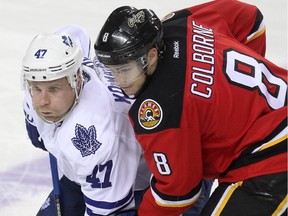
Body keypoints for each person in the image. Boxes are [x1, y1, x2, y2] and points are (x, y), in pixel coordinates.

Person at [94, 0, 287, 215]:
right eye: (111, 70)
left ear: (150, 56)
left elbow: (177, 194)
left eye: (124, 69)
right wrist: (242, 98)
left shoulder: (158, 108)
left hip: (271, 155)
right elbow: (250, 19)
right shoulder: (180, 23)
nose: (119, 80)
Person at [22, 27, 146, 215]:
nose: (42, 101)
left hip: (133, 188)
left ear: (77, 80)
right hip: (81, 176)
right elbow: (73, 32)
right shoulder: (47, 76)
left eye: (54, 89)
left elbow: (105, 211)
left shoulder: (98, 136)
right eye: (36, 88)